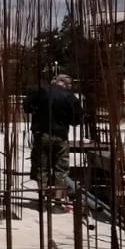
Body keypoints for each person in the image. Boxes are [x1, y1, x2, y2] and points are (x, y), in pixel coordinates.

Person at [24, 73, 83, 212]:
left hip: (42, 134)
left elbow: (27, 106)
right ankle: (57, 202)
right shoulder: (70, 97)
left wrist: (37, 111)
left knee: (41, 167)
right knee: (61, 169)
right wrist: (65, 119)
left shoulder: (42, 92)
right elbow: (77, 119)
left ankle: (42, 201)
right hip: (61, 136)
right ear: (66, 84)